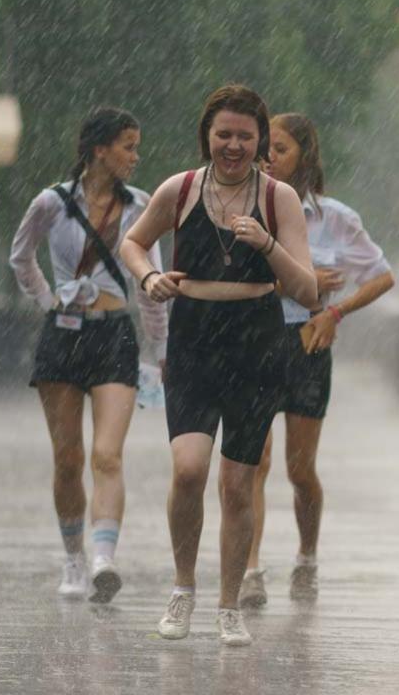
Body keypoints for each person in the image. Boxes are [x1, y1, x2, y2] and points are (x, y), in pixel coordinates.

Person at [119, 85, 316, 646]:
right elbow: (133, 243)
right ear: (207, 135)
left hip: (255, 342)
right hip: (193, 338)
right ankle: (183, 589)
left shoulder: (278, 199)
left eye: (245, 137)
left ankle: (229, 605)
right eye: (223, 134)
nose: (233, 145)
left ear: (261, 144)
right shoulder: (179, 189)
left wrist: (266, 245)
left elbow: (306, 288)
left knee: (236, 483)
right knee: (188, 470)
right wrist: (150, 277)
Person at [235, 112, 395, 608]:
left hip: (308, 343)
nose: (269, 158)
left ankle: (306, 555)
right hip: (256, 340)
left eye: (279, 148)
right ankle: (251, 568)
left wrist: (337, 311)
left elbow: (382, 275)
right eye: (266, 150)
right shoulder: (244, 211)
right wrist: (293, 282)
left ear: (304, 154)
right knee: (252, 462)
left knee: (299, 468)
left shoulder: (335, 218)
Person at [7, 106, 166, 604]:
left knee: (107, 455)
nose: (135, 157)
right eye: (128, 146)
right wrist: (46, 299)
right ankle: (73, 557)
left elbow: (150, 281)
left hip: (115, 335)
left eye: (137, 147)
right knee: (68, 457)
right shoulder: (51, 203)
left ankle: (103, 559)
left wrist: (159, 349)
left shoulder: (142, 206)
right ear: (100, 149)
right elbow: (21, 256)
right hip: (63, 335)